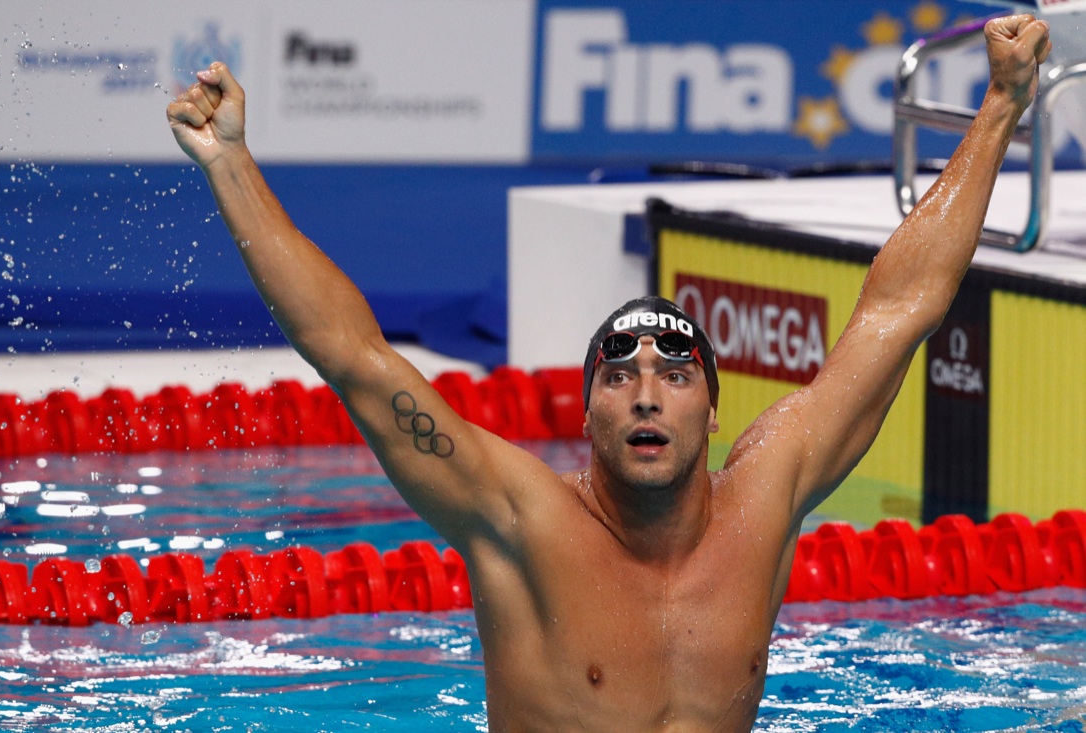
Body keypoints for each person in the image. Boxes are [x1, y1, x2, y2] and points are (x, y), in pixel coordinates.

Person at [166, 15, 1050, 732]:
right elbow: (353, 354)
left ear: (714, 405)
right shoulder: (517, 518)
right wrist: (231, 163)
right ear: (586, 417)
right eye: (618, 376)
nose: (647, 392)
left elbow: (900, 309)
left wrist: (1004, 103)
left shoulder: (770, 491)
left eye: (673, 371)